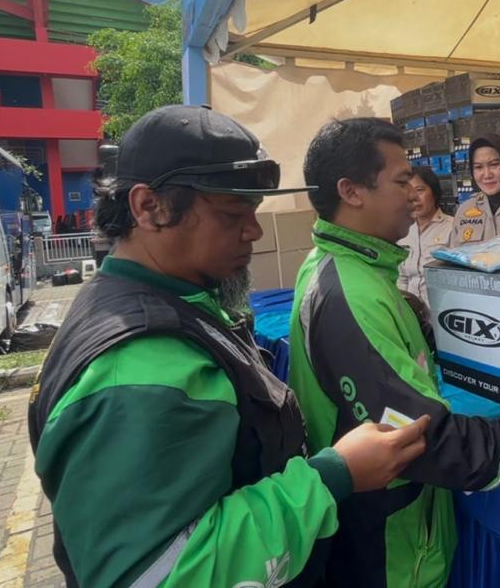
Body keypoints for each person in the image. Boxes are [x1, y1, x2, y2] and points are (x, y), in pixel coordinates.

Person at [28, 105, 429, 588]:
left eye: (254, 211)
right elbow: (161, 575)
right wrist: (332, 475)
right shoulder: (137, 367)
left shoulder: (167, 302)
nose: (254, 230)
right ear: (149, 207)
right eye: (232, 214)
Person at [288, 118, 500, 588]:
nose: (414, 195)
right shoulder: (350, 295)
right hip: (389, 542)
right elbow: (428, 441)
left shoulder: (349, 268)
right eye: (402, 182)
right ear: (352, 192)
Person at [397, 166, 452, 305]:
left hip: (441, 308)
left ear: (434, 192)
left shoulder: (453, 227)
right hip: (410, 310)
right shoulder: (403, 230)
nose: (414, 197)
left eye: (420, 190)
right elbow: (401, 278)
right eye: (408, 191)